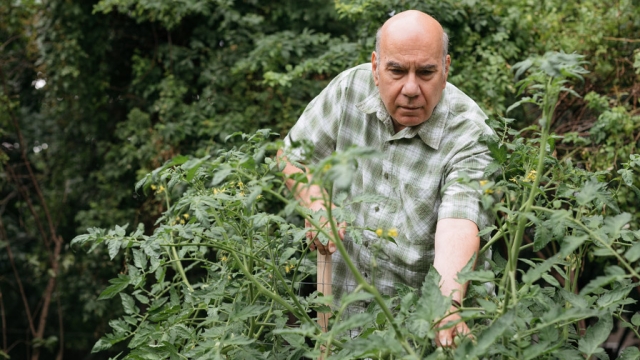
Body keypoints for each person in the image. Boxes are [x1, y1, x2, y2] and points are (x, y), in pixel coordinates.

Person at [277, 10, 493, 347]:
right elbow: (293, 156)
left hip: (422, 335)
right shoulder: (349, 90)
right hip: (342, 325)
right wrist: (318, 206)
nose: (410, 88)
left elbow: (460, 221)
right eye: (396, 70)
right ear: (376, 67)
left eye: (425, 72)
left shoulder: (471, 132)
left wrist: (446, 303)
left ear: (446, 69)